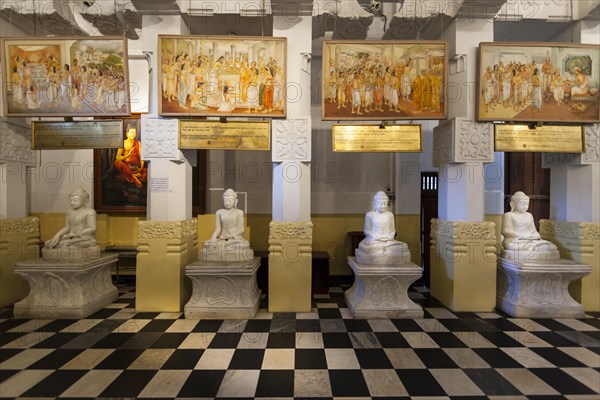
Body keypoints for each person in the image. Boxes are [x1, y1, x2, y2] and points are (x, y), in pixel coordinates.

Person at [356, 191, 410, 264]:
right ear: (374, 204)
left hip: (388, 241)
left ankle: (385, 248)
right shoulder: (370, 215)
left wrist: (389, 237)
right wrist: (375, 237)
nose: (383, 206)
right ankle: (384, 248)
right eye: (380, 203)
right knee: (367, 248)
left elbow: (392, 231)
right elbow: (366, 231)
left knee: (404, 246)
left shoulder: (390, 215)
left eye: (385, 203)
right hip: (374, 241)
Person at [203, 189, 253, 261]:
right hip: (222, 238)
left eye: (230, 200)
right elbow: (218, 229)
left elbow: (241, 230)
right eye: (225, 200)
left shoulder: (239, 212)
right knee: (207, 244)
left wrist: (229, 236)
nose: (227, 203)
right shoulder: (219, 212)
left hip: (234, 239)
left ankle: (223, 246)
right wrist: (213, 238)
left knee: (242, 245)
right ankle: (223, 245)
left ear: (235, 201)